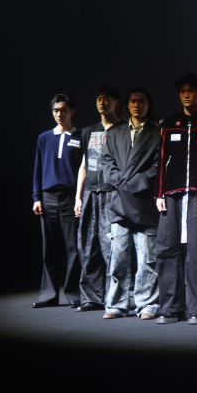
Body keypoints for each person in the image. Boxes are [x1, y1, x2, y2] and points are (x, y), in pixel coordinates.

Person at [154, 73, 197, 325]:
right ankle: (170, 307)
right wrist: (159, 193)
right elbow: (162, 159)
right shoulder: (170, 123)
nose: (186, 95)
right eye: (182, 91)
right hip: (171, 195)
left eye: (191, 90)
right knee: (167, 249)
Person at [100, 87, 162, 319]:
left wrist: (138, 182)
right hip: (119, 204)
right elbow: (106, 163)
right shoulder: (115, 133)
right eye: (133, 101)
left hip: (145, 203)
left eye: (141, 101)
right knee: (118, 258)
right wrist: (121, 181)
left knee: (147, 259)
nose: (137, 105)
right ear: (127, 105)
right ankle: (116, 304)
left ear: (148, 104)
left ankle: (147, 304)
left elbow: (158, 166)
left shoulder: (157, 134)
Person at [31, 94, 84, 308]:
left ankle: (73, 294)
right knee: (49, 249)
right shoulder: (44, 138)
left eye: (63, 110)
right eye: (55, 110)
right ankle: (48, 295)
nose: (59, 114)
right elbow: (37, 169)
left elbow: (85, 169)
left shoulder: (81, 137)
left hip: (71, 197)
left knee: (73, 248)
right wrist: (36, 197)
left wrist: (80, 198)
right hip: (48, 197)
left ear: (72, 111)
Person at [73, 86, 121, 312]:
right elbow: (83, 165)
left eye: (107, 99)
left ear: (116, 102)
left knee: (111, 245)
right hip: (91, 192)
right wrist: (78, 197)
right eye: (99, 99)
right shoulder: (89, 131)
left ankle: (114, 297)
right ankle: (90, 297)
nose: (102, 103)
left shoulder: (123, 129)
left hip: (112, 193)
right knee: (87, 244)